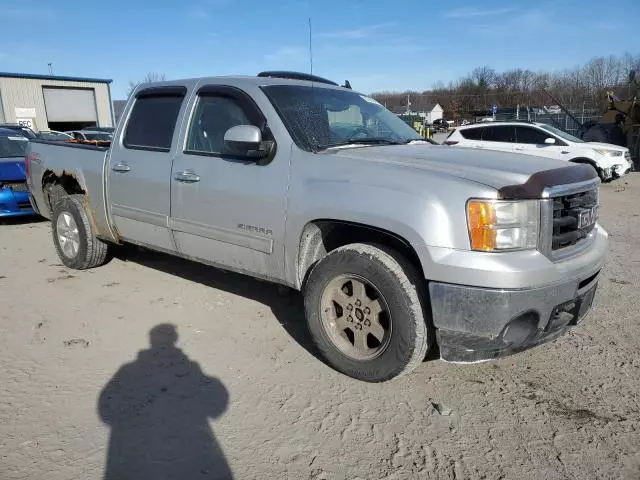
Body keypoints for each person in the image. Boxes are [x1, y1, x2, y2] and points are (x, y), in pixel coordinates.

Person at [98, 324, 232, 479]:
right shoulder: (189, 370)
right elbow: (217, 404)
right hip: (180, 454)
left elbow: (106, 409)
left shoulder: (130, 370)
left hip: (143, 456)